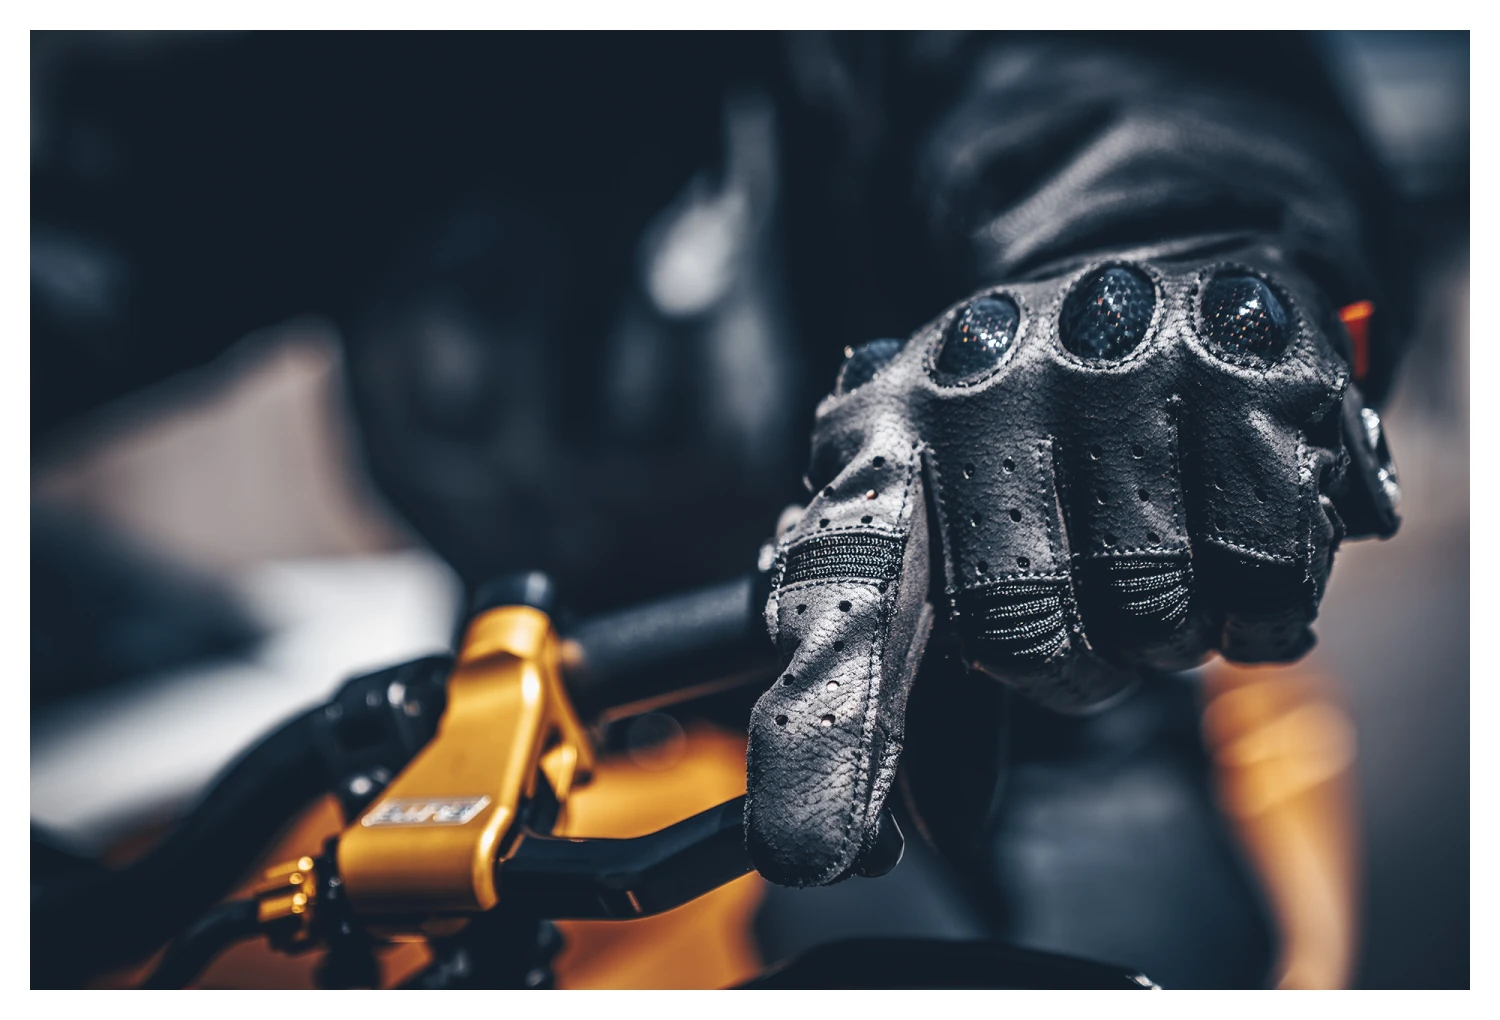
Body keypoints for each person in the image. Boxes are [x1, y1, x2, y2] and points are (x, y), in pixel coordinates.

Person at [32, 31, 1411, 987]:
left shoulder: (864, 59)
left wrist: (1161, 278)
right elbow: (59, 229)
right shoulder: (328, 78)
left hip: (984, 721)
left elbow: (1134, 103)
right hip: (539, 739)